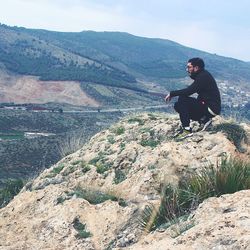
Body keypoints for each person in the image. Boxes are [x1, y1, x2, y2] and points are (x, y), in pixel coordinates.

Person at [165, 57, 221, 139]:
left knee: (183, 99)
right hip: (210, 107)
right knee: (178, 105)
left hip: (211, 109)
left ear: (196, 68)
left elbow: (188, 91)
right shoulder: (202, 75)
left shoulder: (203, 77)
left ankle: (187, 130)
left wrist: (172, 93)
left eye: (189, 67)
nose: (187, 69)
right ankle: (204, 119)